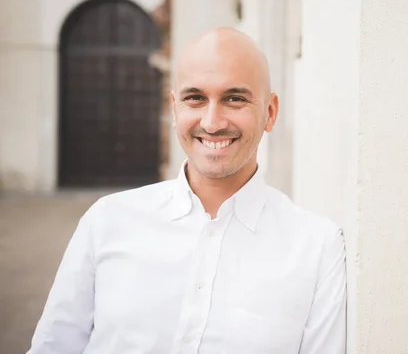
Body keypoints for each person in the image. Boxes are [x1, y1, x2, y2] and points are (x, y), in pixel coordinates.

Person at [28, 27, 347, 354]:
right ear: (175, 107)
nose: (211, 122)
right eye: (195, 98)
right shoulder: (106, 221)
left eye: (234, 98)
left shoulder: (318, 247)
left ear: (270, 112)